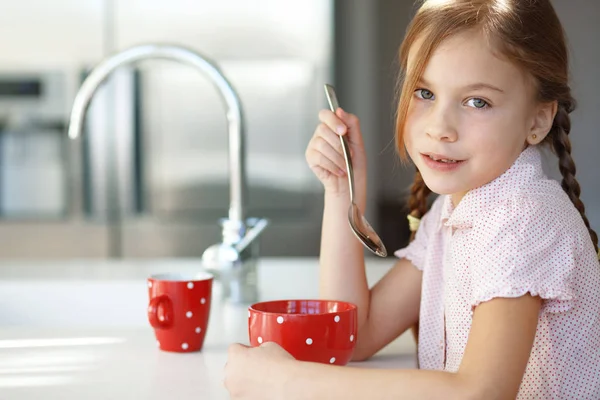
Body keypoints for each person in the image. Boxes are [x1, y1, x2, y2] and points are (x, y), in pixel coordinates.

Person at [223, 0, 600, 398]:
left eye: (478, 102)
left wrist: (285, 382)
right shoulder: (460, 210)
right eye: (424, 92)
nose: (440, 127)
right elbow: (357, 335)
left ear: (538, 120)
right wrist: (342, 194)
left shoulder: (522, 218)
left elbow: (481, 392)